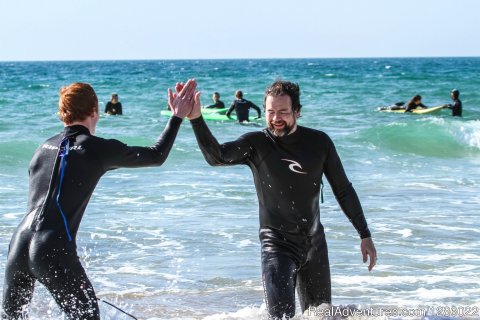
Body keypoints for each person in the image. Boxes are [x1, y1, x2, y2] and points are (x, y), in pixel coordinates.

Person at [1, 80, 197, 319]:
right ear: (95, 111)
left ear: (63, 113)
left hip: (18, 243)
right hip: (52, 247)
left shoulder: (43, 147)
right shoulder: (95, 149)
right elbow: (156, 155)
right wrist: (177, 116)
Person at [187, 80, 377, 320]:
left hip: (314, 244)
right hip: (277, 246)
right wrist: (196, 119)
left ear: (297, 111)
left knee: (321, 317)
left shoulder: (319, 143)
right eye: (270, 112)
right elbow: (218, 157)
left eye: (283, 112)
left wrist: (364, 233)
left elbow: (343, 189)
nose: (276, 118)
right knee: (281, 319)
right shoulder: (256, 144)